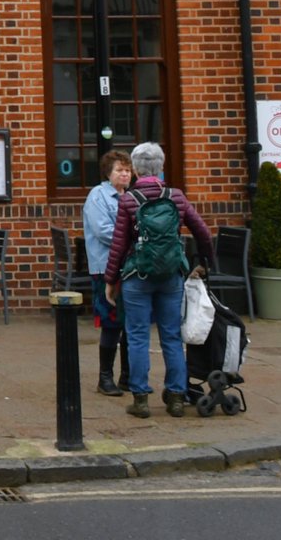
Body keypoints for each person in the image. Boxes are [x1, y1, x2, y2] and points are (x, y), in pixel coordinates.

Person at [104, 141, 216, 419]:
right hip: (171, 276)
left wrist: (110, 280)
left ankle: (141, 399)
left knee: (138, 336)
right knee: (172, 337)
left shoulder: (129, 200)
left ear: (137, 170)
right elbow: (202, 232)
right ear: (161, 167)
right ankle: (176, 397)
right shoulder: (175, 196)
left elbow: (119, 244)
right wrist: (205, 261)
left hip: (137, 277)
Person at [83, 148, 133, 396]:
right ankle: (105, 378)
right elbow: (103, 231)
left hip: (130, 269)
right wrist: (132, 239)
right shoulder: (98, 196)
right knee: (111, 322)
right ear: (108, 173)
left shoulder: (131, 197)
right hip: (106, 268)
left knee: (130, 322)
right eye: (120, 170)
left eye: (127, 170)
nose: (125, 175)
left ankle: (127, 376)